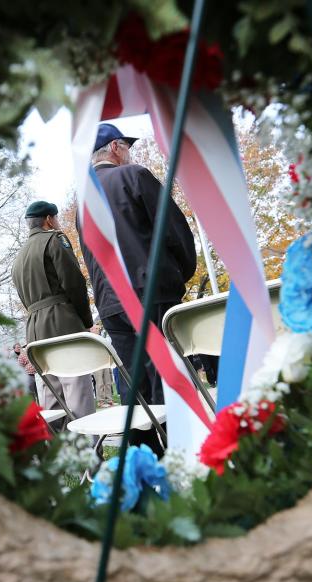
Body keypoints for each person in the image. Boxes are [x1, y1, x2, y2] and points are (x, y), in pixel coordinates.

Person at [76, 124, 197, 451]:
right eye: (126, 146)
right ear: (115, 147)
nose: (128, 152)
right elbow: (174, 230)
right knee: (167, 381)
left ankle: (146, 461)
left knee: (137, 388)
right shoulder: (134, 176)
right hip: (150, 291)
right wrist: (180, 273)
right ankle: (182, 453)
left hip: (112, 304)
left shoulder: (82, 202)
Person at [11, 200, 95, 420]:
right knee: (77, 391)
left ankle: (60, 451)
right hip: (63, 322)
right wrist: (86, 321)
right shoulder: (54, 239)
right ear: (49, 219)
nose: (58, 223)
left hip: (35, 330)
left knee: (51, 395)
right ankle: (87, 451)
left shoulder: (18, 257)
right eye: (56, 218)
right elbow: (74, 284)